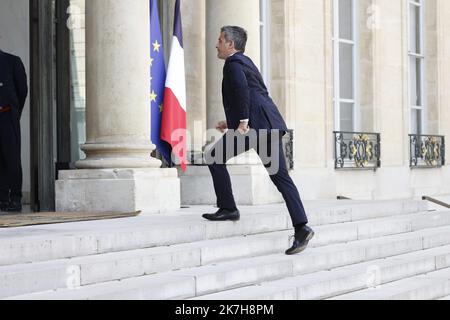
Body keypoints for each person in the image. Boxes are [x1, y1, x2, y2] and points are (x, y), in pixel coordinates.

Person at [202, 26, 314, 255]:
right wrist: (232, 122)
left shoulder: (233, 64)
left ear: (231, 44)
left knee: (213, 157)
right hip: (269, 125)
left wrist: (242, 122)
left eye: (220, 40)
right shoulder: (246, 62)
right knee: (282, 179)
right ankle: (302, 227)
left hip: (253, 128)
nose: (217, 44)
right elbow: (254, 93)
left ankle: (228, 208)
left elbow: (243, 91)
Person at [0, 49, 28, 213]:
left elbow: (22, 90)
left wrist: (14, 111)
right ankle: (2, 198)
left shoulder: (12, 61)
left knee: (11, 158)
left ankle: (15, 198)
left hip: (7, 115)